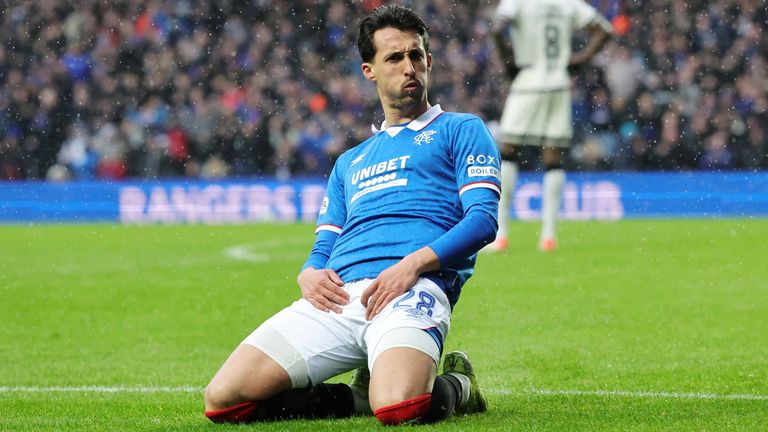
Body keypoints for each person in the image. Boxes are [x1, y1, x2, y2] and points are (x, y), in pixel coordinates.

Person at [203, 4, 501, 426]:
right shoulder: (350, 161)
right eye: (394, 58)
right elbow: (326, 240)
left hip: (412, 288)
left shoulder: (462, 129)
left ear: (429, 61)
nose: (409, 66)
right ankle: (362, 395)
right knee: (225, 400)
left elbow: (483, 220)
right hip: (338, 298)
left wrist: (410, 266)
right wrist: (309, 271)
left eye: (416, 55)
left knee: (399, 408)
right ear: (370, 71)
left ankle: (459, 384)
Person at [488, 0, 612, 252]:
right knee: (553, 157)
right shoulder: (568, 3)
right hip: (558, 82)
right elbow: (604, 30)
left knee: (508, 152)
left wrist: (508, 62)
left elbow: (497, 28)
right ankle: (548, 235)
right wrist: (579, 59)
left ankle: (501, 234)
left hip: (529, 79)